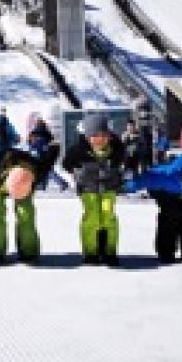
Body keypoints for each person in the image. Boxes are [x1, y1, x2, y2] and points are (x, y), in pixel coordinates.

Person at [125, 148, 182, 263]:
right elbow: (144, 180)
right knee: (171, 213)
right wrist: (125, 187)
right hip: (162, 190)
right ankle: (166, 252)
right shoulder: (168, 175)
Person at [62, 114, 125, 266]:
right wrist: (76, 176)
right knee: (92, 217)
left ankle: (109, 251)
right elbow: (66, 164)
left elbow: (125, 162)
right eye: (95, 136)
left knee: (108, 215)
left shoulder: (116, 149)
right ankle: (91, 252)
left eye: (104, 136)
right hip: (88, 189)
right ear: (87, 136)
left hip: (109, 188)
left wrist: (121, 175)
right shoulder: (79, 150)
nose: (100, 140)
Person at [27, 118, 68, 191]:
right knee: (47, 170)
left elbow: (30, 143)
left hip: (37, 154)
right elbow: (52, 141)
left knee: (46, 171)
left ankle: (60, 183)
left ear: (36, 125)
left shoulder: (33, 133)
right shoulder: (47, 133)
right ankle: (45, 185)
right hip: (46, 154)